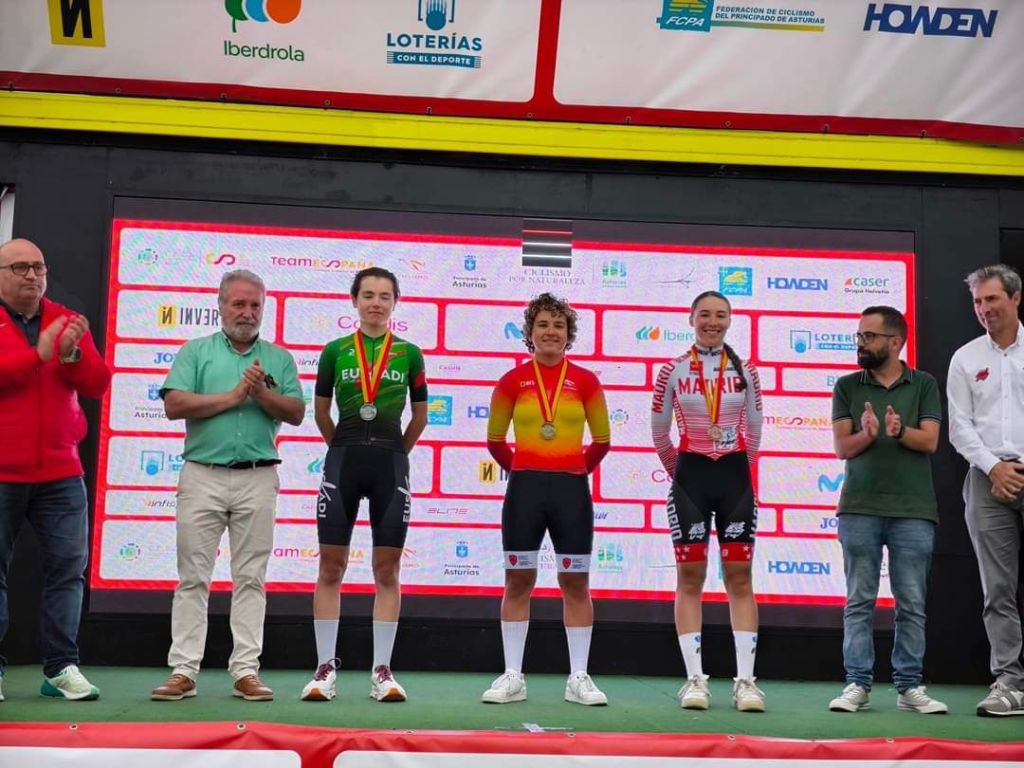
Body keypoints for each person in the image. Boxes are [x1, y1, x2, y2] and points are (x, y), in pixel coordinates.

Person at [150, 269, 303, 702]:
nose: (247, 312)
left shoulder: (279, 358)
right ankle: (183, 671)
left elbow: (295, 412)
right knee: (192, 577)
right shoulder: (196, 352)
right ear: (220, 306)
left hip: (258, 475)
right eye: (239, 304)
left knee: (251, 578)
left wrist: (261, 395)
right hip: (202, 475)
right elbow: (174, 404)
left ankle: (246, 672)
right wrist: (233, 397)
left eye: (255, 305)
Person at [301, 267, 427, 703]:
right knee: (330, 567)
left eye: (384, 296)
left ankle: (382, 672)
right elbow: (321, 412)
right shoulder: (334, 351)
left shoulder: (410, 354)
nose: (376, 303)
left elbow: (420, 417)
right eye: (368, 295)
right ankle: (324, 670)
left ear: (395, 303)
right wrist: (343, 449)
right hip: (344, 463)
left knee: (387, 570)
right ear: (354, 300)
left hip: (391, 465)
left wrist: (396, 454)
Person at [481, 292, 611, 706]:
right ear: (530, 333)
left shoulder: (586, 381)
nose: (551, 331)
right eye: (543, 324)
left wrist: (572, 469)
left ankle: (579, 677)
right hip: (524, 491)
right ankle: (512, 676)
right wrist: (525, 468)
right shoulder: (512, 381)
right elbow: (495, 441)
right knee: (518, 580)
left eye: (559, 325)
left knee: (576, 582)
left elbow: (602, 441)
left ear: (569, 333)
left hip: (572, 491)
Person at [0, 238, 111, 702]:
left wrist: (70, 354)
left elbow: (98, 383)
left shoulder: (66, 319)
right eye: (20, 267)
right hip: (2, 472)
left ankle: (61, 668)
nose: (32, 275)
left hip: (61, 472)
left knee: (68, 570)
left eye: (39, 267)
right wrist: (39, 354)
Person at [827, 306, 946, 715]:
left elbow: (929, 441)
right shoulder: (847, 386)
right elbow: (843, 448)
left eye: (870, 336)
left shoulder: (924, 384)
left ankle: (909, 686)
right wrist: (868, 434)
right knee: (859, 600)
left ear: (896, 342)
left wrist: (899, 432)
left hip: (914, 509)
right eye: (859, 336)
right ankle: (856, 684)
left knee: (910, 603)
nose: (861, 343)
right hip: (859, 507)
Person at [651, 290, 764, 712]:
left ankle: (746, 682)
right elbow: (660, 433)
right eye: (705, 315)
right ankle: (695, 680)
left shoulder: (747, 371)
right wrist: (680, 473)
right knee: (690, 578)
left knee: (740, 578)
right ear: (691, 319)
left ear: (730, 321)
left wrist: (739, 472)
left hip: (734, 478)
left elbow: (755, 432)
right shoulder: (672, 370)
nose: (712, 322)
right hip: (690, 479)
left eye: (720, 315)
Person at [948, 264, 1024, 717]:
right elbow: (959, 427)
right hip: (986, 477)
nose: (984, 309)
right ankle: (1010, 682)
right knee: (997, 588)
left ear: (1015, 298)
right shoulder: (965, 357)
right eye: (978, 301)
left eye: (992, 299)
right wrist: (995, 467)